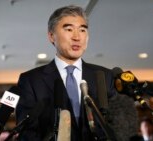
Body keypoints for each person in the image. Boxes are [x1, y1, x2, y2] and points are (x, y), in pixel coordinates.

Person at [15, 5, 118, 141]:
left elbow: (117, 124)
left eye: (82, 30)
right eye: (69, 29)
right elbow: (27, 133)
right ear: (52, 36)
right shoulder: (31, 80)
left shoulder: (105, 77)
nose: (77, 37)